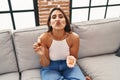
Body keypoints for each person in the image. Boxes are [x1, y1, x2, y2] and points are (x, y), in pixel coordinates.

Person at [33, 7, 91, 80]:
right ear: (50, 23)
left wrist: (71, 61)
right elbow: (45, 64)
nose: (57, 19)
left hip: (68, 66)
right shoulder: (44, 38)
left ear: (65, 22)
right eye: (54, 17)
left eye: (61, 16)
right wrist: (42, 55)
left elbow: (74, 58)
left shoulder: (74, 38)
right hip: (50, 67)